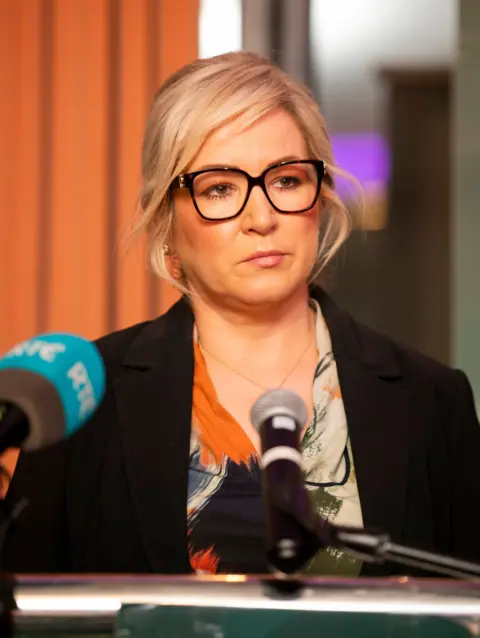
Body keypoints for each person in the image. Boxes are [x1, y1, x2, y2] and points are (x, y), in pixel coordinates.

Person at [2, 51, 480, 577]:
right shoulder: (81, 398)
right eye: (220, 189)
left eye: (286, 180)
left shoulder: (432, 400)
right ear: (168, 222)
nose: (262, 217)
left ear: (319, 198)